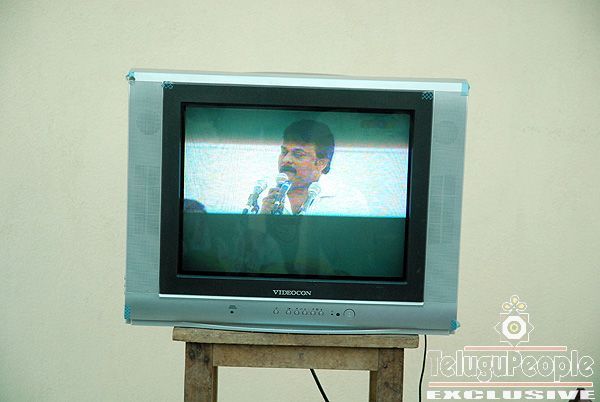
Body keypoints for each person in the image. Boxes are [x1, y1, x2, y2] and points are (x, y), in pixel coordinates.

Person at [260, 119, 335, 215]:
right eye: (284, 152)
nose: (286, 159)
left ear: (321, 164)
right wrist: (262, 218)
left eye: (298, 154)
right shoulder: (261, 194)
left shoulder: (341, 201)